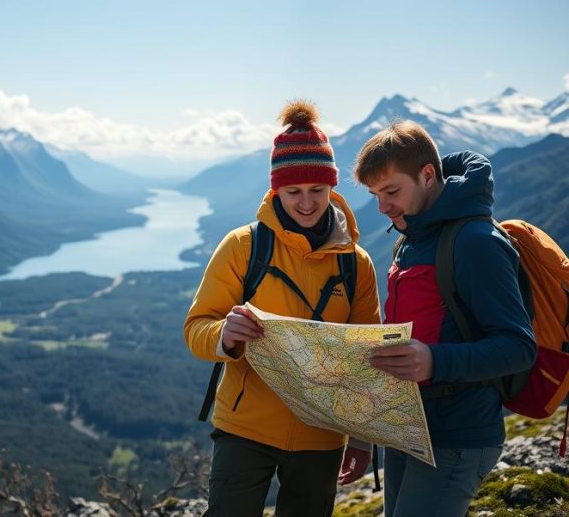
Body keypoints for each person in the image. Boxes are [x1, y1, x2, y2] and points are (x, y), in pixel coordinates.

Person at [184, 100, 381, 517]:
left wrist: (362, 440)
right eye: (293, 192)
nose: (306, 203)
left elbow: (368, 355)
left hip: (323, 435)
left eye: (318, 191)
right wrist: (224, 335)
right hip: (245, 427)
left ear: (333, 189)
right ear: (276, 190)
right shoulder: (243, 246)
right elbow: (196, 327)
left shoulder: (355, 263)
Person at [355, 120, 537, 517]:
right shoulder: (412, 238)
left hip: (458, 435)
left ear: (427, 175)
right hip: (410, 427)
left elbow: (519, 346)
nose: (383, 207)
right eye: (375, 195)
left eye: (391, 191)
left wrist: (435, 361)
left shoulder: (475, 242)